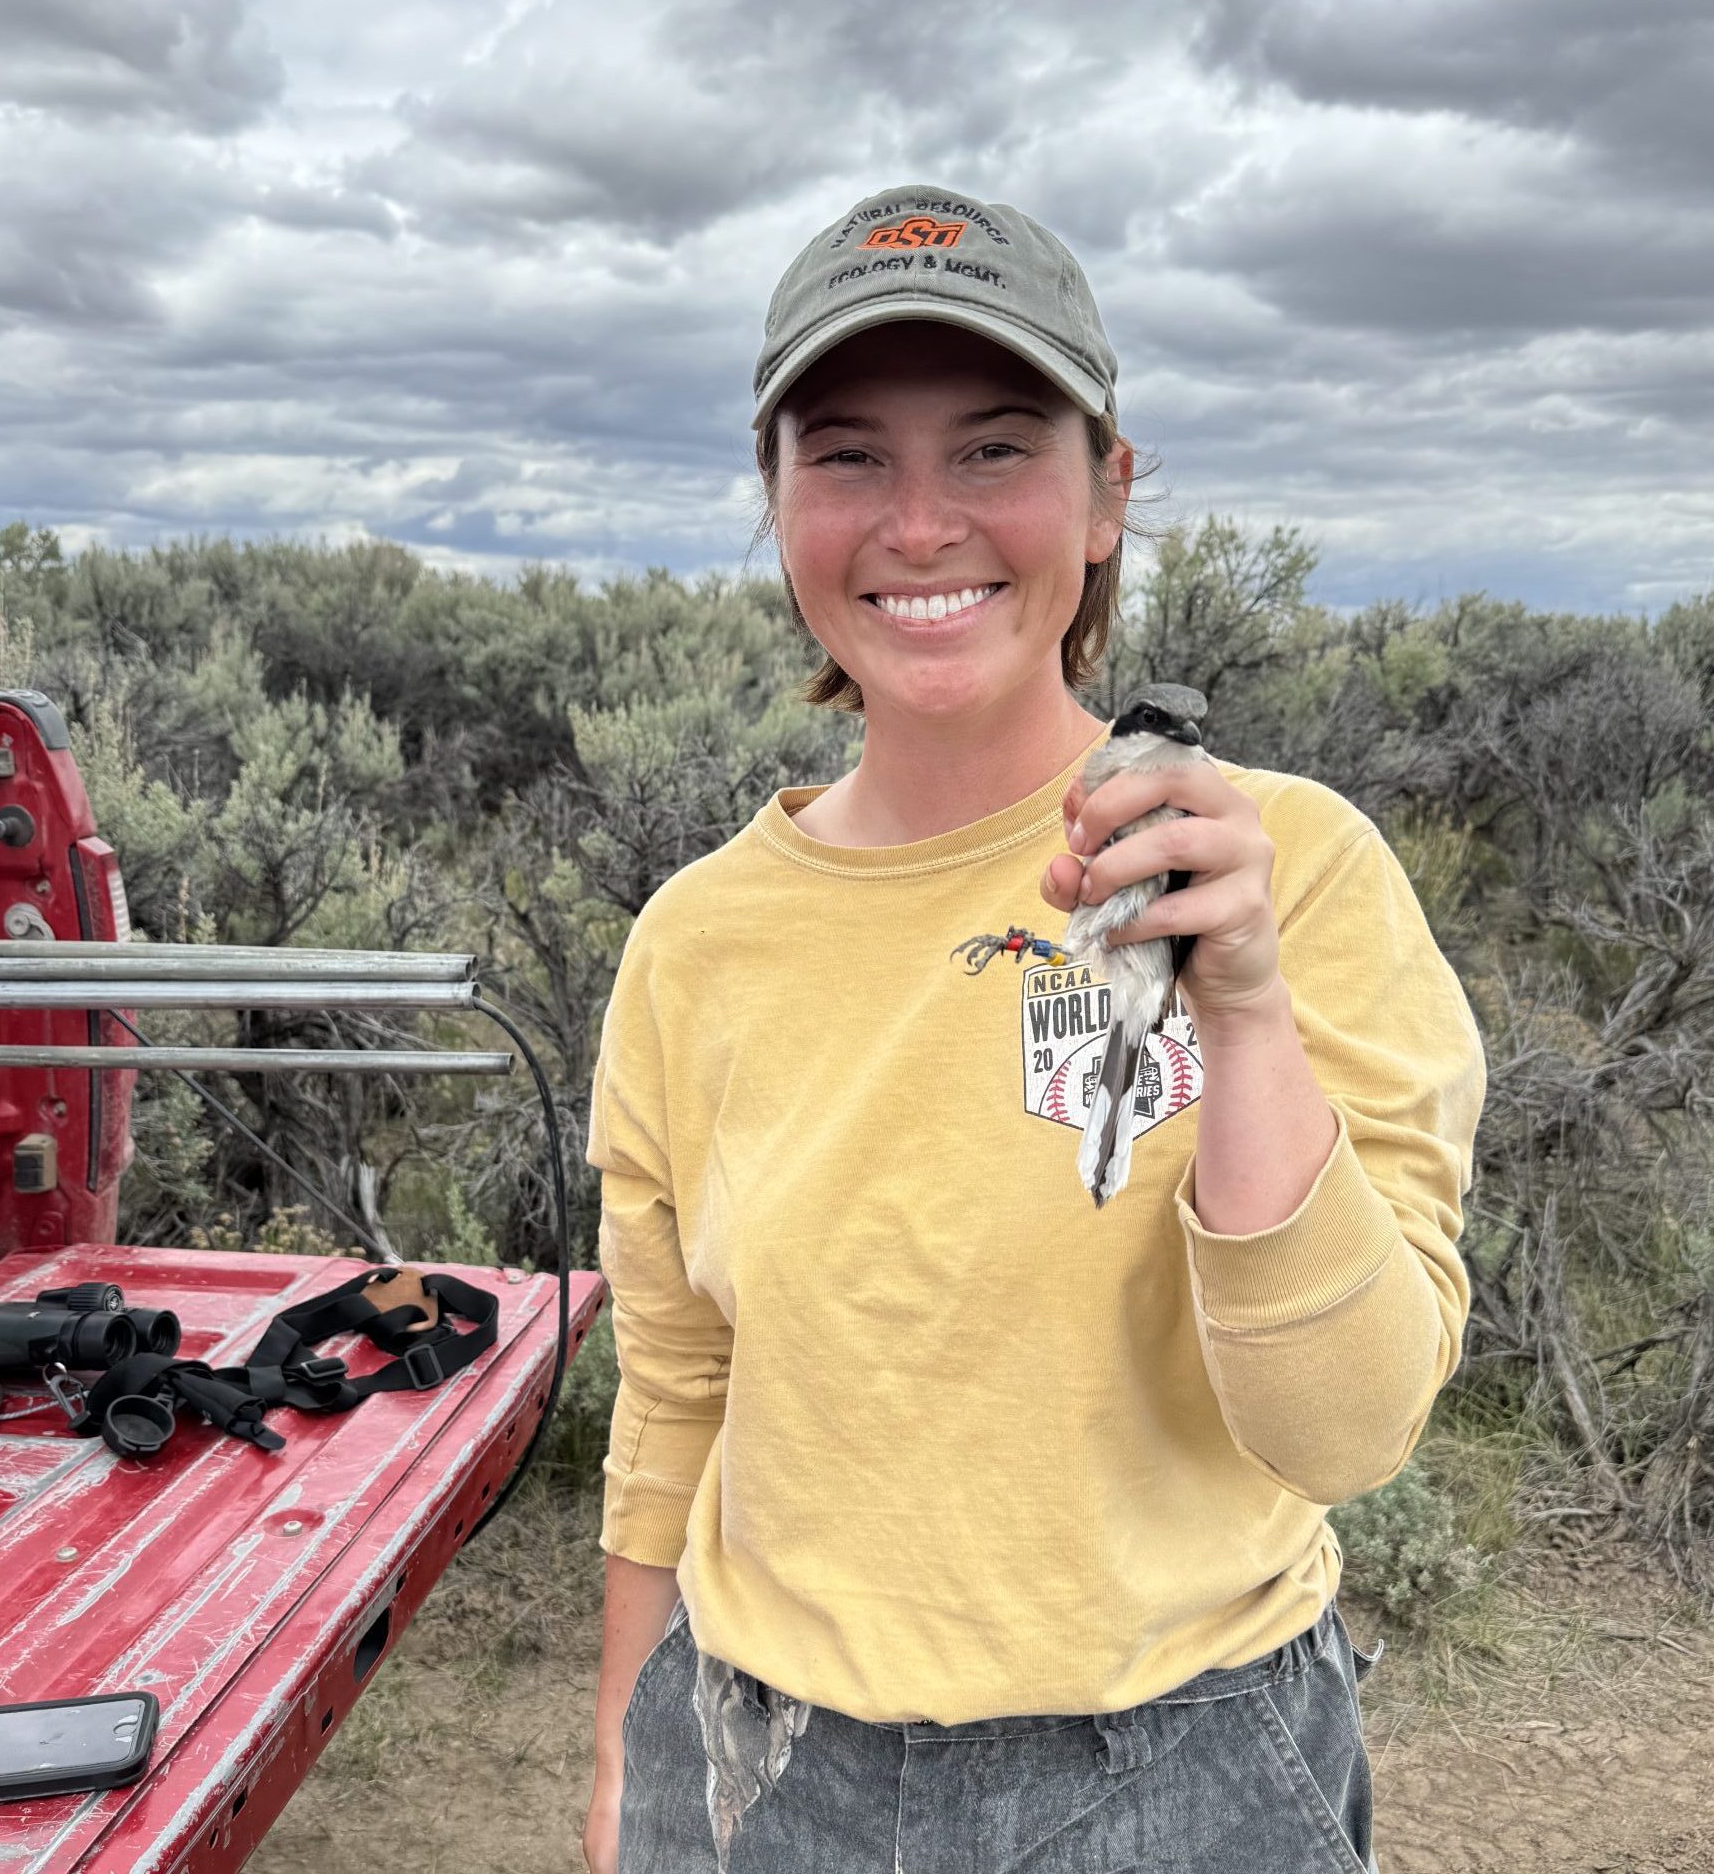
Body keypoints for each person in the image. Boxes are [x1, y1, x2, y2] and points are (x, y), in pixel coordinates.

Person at [581, 180, 1487, 1874]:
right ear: (772, 499)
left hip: (1183, 1772)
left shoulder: (1292, 871)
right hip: (764, 1766)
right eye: (847, 455)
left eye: (996, 448)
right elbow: (677, 1388)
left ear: (1107, 494)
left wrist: (1250, 1014)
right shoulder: (696, 943)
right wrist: (638, 1763)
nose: (919, 524)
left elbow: (1348, 1432)